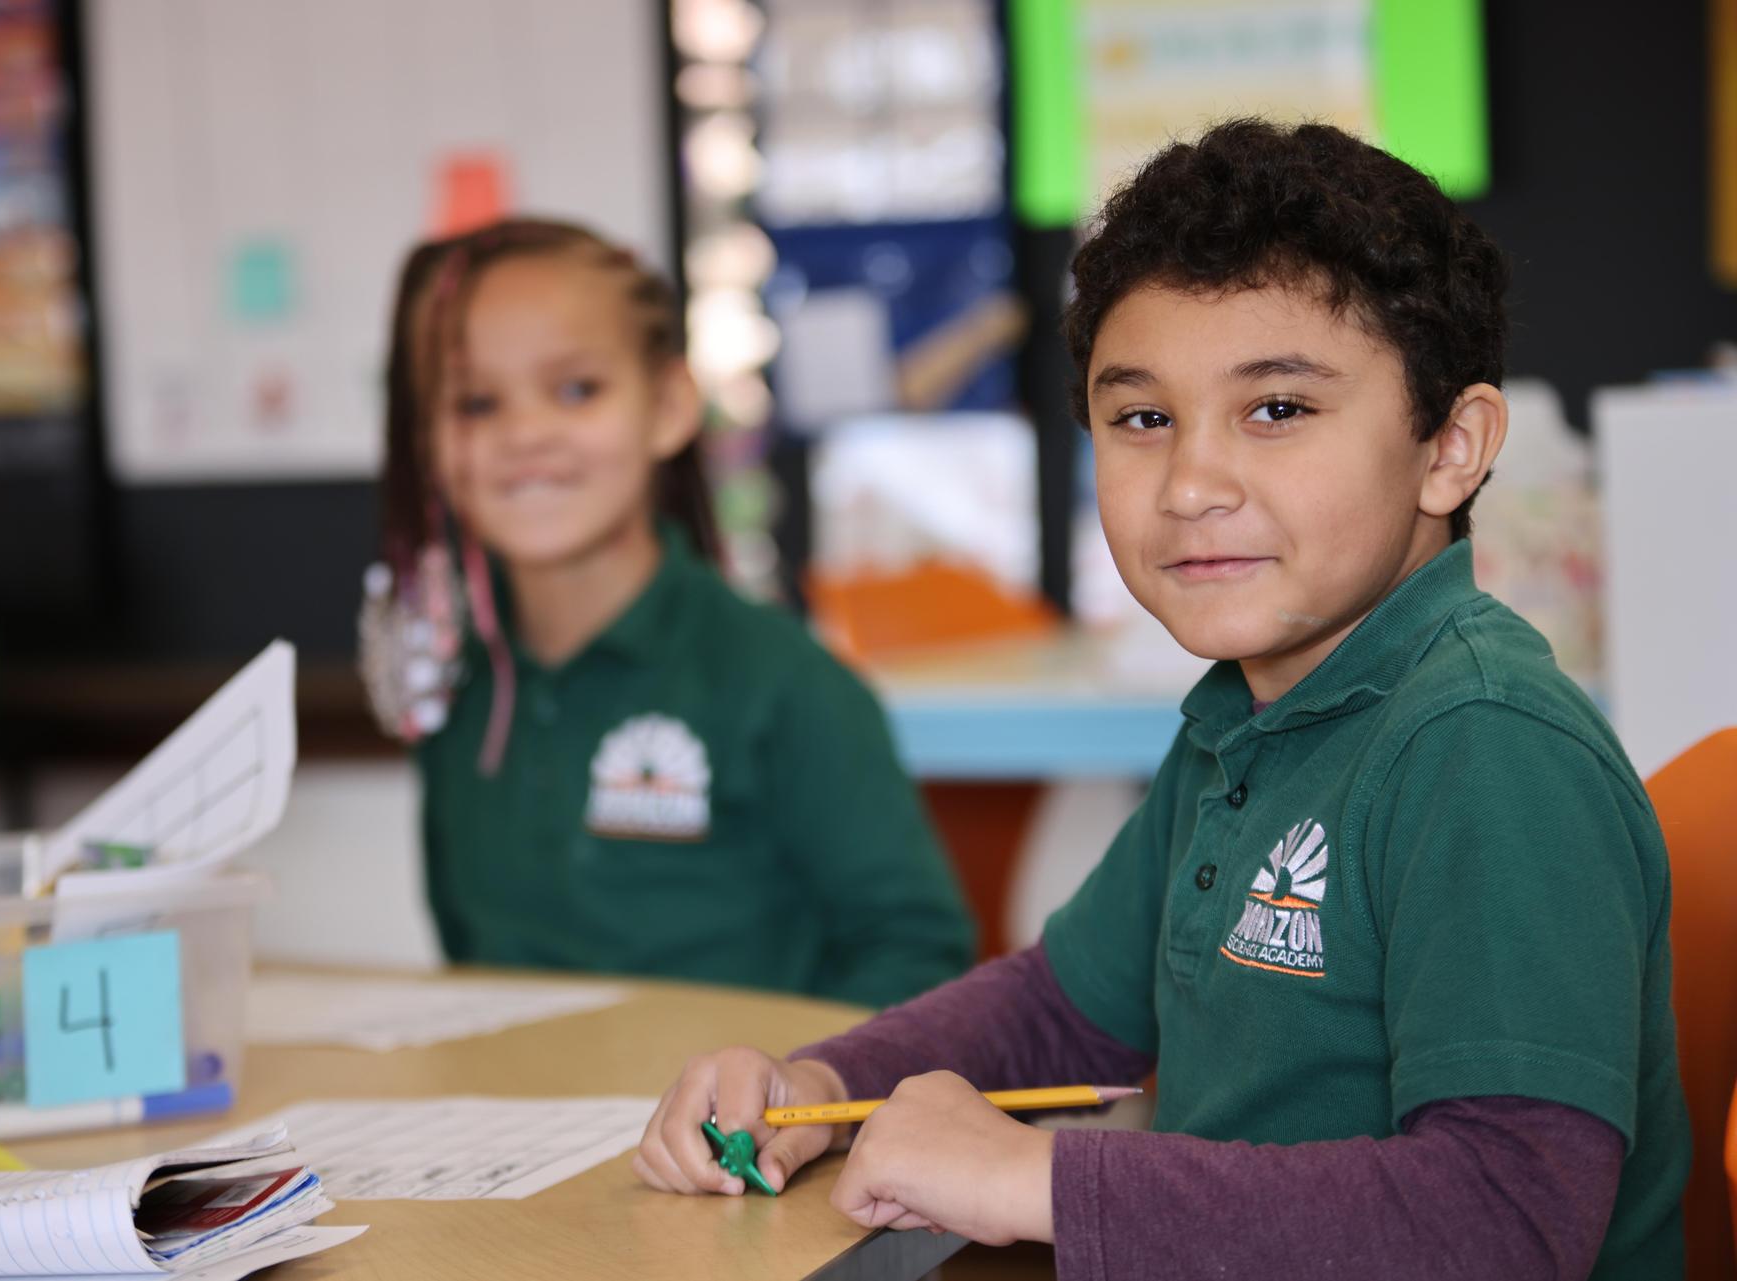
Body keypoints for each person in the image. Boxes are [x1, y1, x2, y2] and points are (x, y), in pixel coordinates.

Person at [634, 122, 1688, 1279]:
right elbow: (1062, 1006)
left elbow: (1507, 1220)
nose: (1189, 485)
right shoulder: (1246, 719)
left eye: (1277, 409)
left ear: (1450, 446)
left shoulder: (1484, 744)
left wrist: (1036, 1180)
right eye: (1143, 419)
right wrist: (825, 1084)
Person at [366, 218, 974, 1007]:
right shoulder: (455, 691)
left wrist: (797, 1073)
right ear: (428, 439)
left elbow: (919, 955)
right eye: (476, 403)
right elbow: (469, 956)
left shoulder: (783, 683)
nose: (525, 433)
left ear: (668, 406)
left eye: (577, 389)